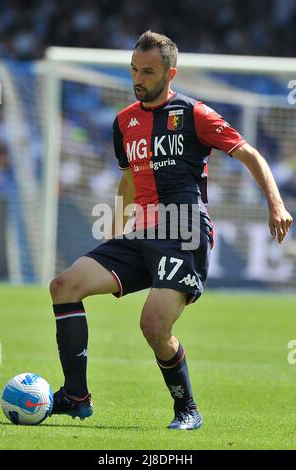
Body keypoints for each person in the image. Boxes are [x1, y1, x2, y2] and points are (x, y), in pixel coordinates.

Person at [49, 31, 293, 430]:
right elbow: (128, 178)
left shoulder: (194, 114)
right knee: (64, 286)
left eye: (147, 72)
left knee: (153, 324)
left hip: (184, 232)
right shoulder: (123, 122)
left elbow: (249, 153)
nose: (138, 79)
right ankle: (75, 395)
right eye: (133, 70)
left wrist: (276, 203)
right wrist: (115, 222)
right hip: (139, 233)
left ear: (170, 73)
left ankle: (187, 409)